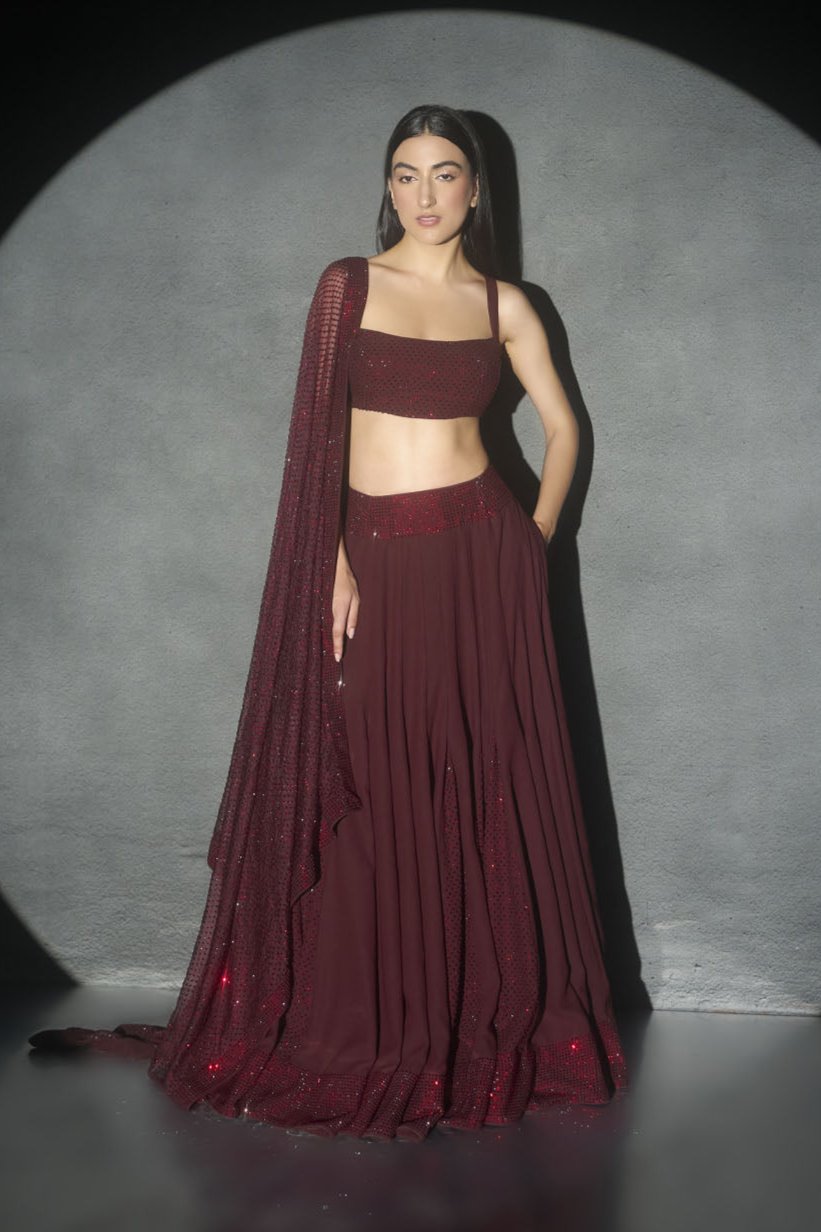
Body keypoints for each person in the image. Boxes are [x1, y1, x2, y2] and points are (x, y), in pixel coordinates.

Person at [29, 104, 627, 1141]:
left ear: (476, 188)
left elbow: (565, 427)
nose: (425, 194)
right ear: (387, 186)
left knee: (479, 777)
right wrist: (331, 557)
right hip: (375, 557)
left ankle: (470, 1027)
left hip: (480, 555)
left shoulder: (505, 303)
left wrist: (532, 541)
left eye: (445, 173)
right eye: (405, 173)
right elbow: (316, 440)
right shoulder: (347, 285)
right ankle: (363, 1022)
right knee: (367, 781)